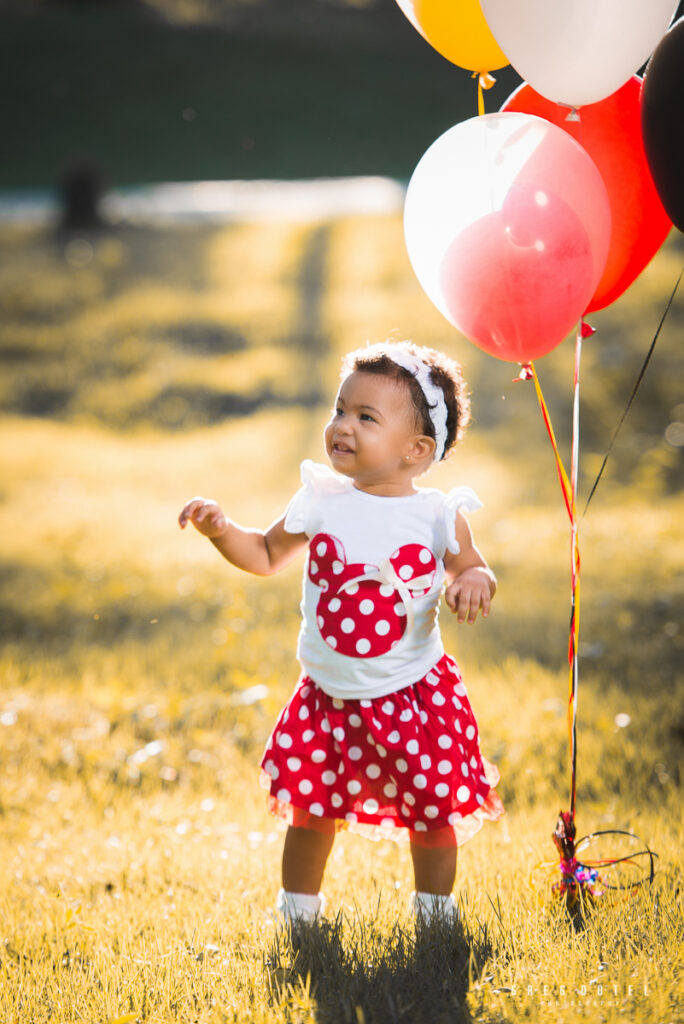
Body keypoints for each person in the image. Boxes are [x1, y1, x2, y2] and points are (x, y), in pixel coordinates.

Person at [178, 340, 505, 925]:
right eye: (340, 409)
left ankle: (435, 913)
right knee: (310, 809)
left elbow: (472, 566)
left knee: (431, 815)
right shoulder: (320, 500)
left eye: (366, 417)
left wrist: (475, 581)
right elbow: (263, 554)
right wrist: (221, 529)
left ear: (416, 449)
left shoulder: (436, 514)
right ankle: (298, 912)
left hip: (411, 694)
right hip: (328, 696)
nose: (342, 427)